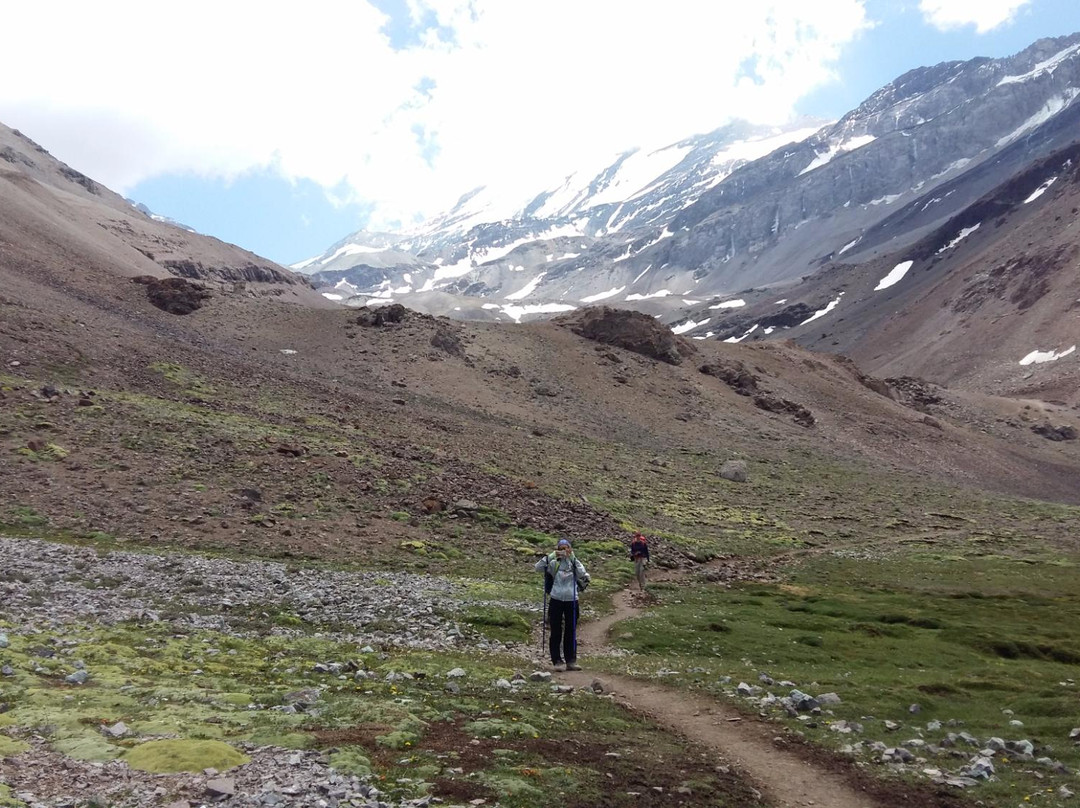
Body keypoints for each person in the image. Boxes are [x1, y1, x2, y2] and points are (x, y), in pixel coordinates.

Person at [535, 538, 589, 671]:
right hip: (556, 598)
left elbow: (582, 573)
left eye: (566, 548)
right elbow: (538, 568)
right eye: (561, 549)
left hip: (572, 599)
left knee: (571, 630)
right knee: (556, 630)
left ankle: (571, 661)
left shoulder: (574, 562)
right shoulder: (554, 563)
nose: (564, 551)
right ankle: (557, 661)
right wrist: (552, 556)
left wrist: (573, 557)